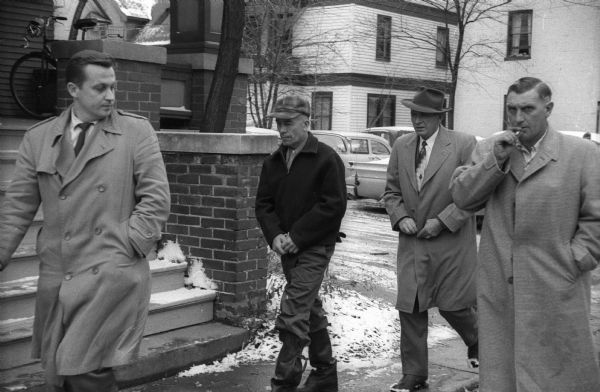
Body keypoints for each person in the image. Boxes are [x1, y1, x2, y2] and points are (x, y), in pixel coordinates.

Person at [0, 50, 171, 391]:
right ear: (73, 90)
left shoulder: (135, 131)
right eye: (100, 88)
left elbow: (156, 200)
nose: (110, 96)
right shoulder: (39, 137)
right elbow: (18, 206)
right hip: (59, 272)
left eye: (113, 87)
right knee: (59, 374)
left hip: (109, 270)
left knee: (86, 372)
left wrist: (128, 245)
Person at [450, 77, 600, 391]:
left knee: (558, 372)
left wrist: (576, 259)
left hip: (557, 284)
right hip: (501, 285)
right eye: (512, 109)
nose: (518, 118)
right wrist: (496, 160)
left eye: (528, 109)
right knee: (504, 373)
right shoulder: (491, 148)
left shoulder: (582, 154)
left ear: (548, 109)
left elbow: (596, 219)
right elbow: (463, 198)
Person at [382, 87, 479, 392]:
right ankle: (414, 374)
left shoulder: (463, 144)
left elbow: (473, 195)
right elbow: (391, 191)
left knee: (454, 304)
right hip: (412, 243)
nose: (417, 119)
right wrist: (400, 216)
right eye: (413, 113)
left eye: (424, 114)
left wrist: (443, 221)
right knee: (410, 308)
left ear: (439, 117)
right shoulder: (401, 145)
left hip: (449, 244)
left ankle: (480, 342)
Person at [255, 95, 347, 392]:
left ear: (307, 122)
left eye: (288, 123)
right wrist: (276, 236)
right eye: (278, 123)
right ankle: (324, 372)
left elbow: (333, 206)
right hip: (287, 249)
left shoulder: (326, 158)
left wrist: (297, 236)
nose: (281, 129)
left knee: (293, 309)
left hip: (315, 247)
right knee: (309, 308)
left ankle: (284, 382)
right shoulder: (273, 162)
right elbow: (263, 205)